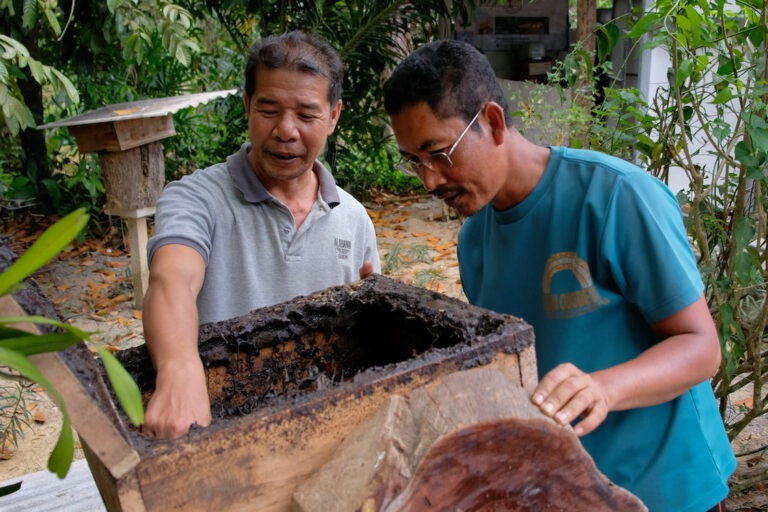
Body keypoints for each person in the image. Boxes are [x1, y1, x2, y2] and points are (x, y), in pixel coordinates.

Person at [383, 40, 735, 511]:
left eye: (439, 153)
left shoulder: (616, 197)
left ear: (491, 121)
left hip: (667, 487)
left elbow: (701, 347)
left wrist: (604, 387)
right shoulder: (473, 240)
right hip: (563, 491)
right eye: (413, 161)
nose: (429, 180)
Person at [142, 31, 381, 439]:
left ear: (334, 115)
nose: (286, 131)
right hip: (220, 427)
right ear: (248, 105)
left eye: (307, 115)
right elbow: (172, 279)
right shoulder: (197, 198)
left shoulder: (354, 218)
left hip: (323, 427)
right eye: (269, 110)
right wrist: (179, 368)